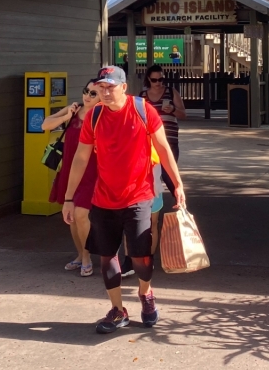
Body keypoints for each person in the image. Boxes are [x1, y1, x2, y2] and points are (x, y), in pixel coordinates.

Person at [62, 66, 186, 334]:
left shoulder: (143, 110)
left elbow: (163, 148)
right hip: (104, 198)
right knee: (107, 257)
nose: (104, 92)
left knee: (141, 258)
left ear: (123, 87)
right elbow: (81, 157)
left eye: (109, 87)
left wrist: (177, 184)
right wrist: (69, 198)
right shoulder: (94, 116)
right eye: (100, 87)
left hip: (138, 196)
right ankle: (118, 310)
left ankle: (146, 293)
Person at [44, 79, 101, 277]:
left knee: (80, 214)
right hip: (69, 170)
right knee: (71, 217)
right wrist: (66, 115)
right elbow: (45, 124)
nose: (88, 96)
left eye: (94, 94)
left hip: (92, 172)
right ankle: (80, 255)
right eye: (86, 91)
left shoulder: (102, 114)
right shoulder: (75, 110)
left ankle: (86, 258)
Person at [140, 64, 187, 252]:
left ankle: (180, 203)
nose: (158, 83)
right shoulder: (142, 96)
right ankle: (151, 209)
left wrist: (172, 111)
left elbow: (184, 115)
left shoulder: (171, 92)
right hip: (148, 142)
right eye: (154, 80)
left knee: (168, 174)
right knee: (150, 176)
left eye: (161, 79)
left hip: (169, 140)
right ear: (148, 80)